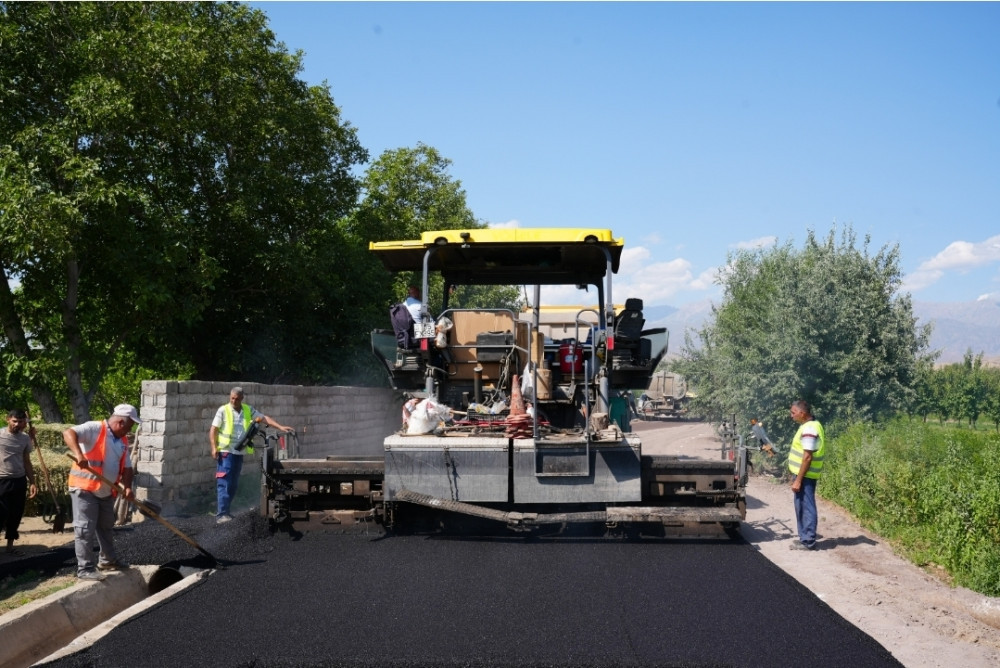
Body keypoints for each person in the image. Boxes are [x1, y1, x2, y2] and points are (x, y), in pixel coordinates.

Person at [63, 404, 139, 580]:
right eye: (129, 426)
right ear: (120, 422)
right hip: (84, 488)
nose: (129, 430)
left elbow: (127, 468)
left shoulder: (123, 441)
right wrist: (79, 454)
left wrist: (127, 487)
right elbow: (68, 433)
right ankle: (85, 569)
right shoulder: (95, 428)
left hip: (106, 490)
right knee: (85, 529)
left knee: (106, 526)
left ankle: (107, 561)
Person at [209, 387, 293, 524]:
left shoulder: (248, 410)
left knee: (233, 484)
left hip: (239, 452)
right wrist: (213, 447)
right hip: (226, 452)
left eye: (237, 399)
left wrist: (280, 427)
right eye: (232, 398)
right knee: (224, 483)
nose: (234, 401)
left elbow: (264, 418)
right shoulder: (223, 410)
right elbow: (213, 429)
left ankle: (226, 512)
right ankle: (221, 514)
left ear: (242, 398)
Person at [788, 399, 826, 551]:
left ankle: (808, 541)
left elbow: (807, 457)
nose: (791, 416)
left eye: (793, 413)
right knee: (801, 506)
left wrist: (798, 480)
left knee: (806, 506)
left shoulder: (810, 429)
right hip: (804, 475)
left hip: (805, 476)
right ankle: (804, 538)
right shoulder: (810, 425)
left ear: (802, 413)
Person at [0, 409, 39, 555]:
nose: (17, 424)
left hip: (19, 480)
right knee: (1, 513)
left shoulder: (24, 439)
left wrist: (33, 482)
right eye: (14, 421)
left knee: (16, 514)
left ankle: (10, 547)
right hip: (2, 480)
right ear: (8, 419)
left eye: (20, 422)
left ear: (24, 423)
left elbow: (27, 461)